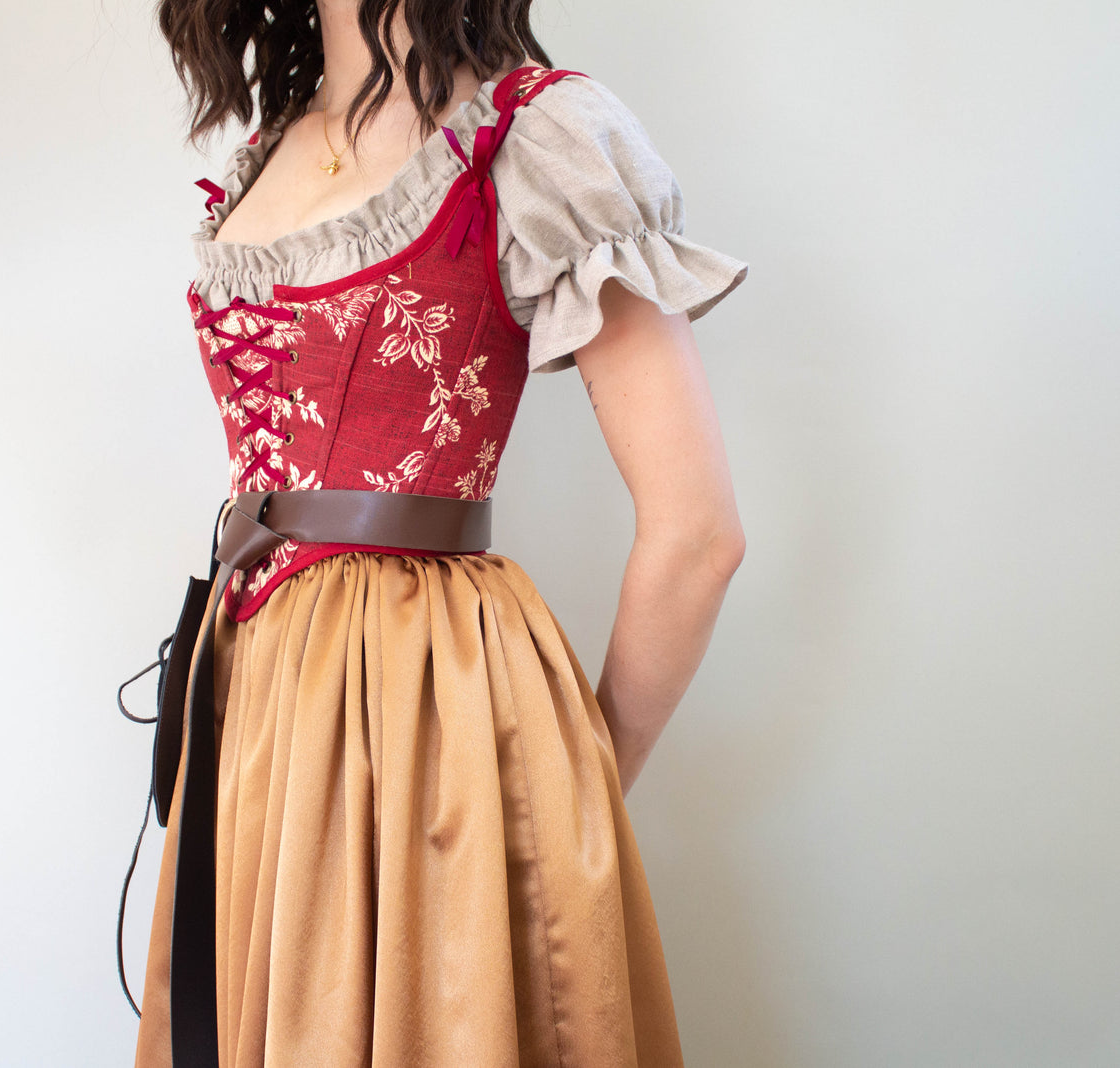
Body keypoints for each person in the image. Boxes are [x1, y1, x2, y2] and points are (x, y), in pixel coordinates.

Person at [121, 0, 749, 1064]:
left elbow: (696, 531)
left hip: (429, 702)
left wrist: (571, 783)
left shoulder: (537, 135)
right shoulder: (271, 144)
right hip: (257, 695)